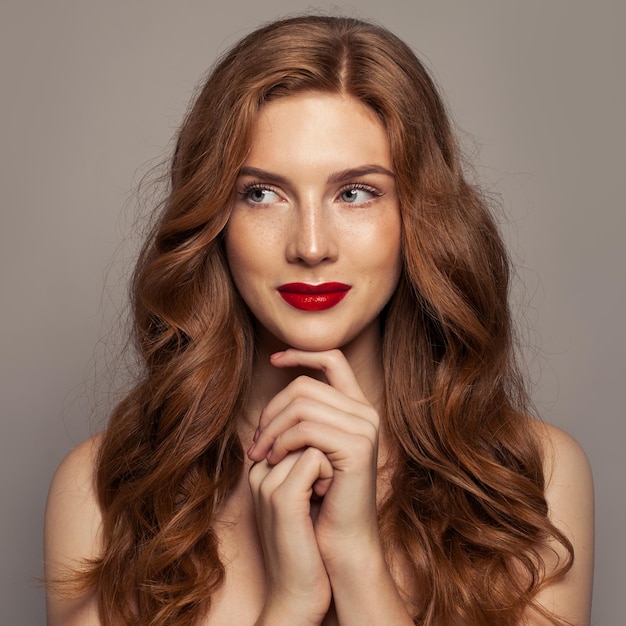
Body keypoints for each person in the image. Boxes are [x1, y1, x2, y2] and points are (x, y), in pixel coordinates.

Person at [44, 15, 594, 626]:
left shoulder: (530, 479)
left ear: (420, 215)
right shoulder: (104, 492)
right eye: (262, 193)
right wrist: (292, 604)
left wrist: (356, 559)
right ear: (216, 220)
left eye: (355, 192)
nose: (310, 246)